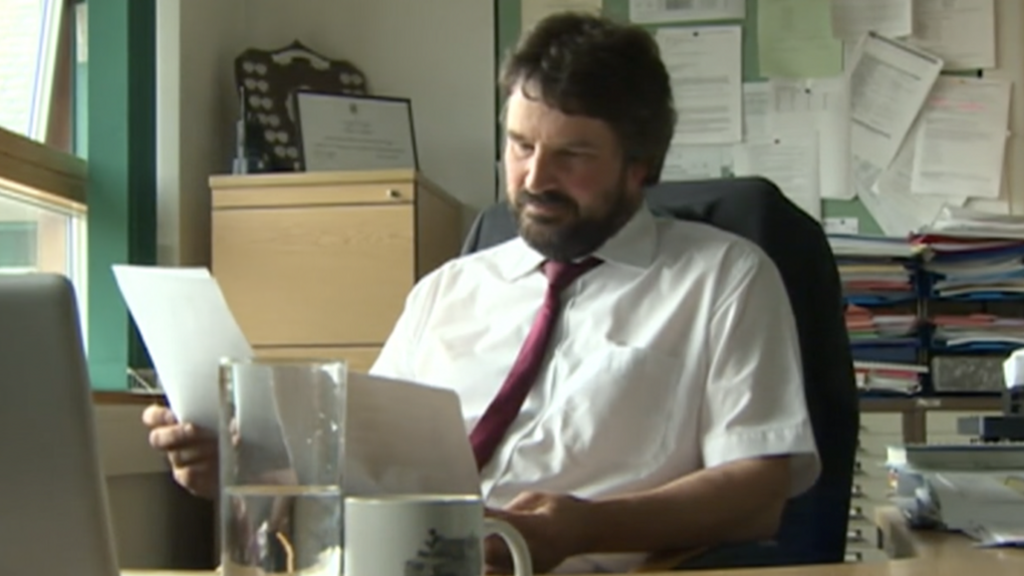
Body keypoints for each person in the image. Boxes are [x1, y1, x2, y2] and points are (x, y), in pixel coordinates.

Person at [144, 12, 820, 574]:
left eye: (573, 156)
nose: (534, 178)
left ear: (641, 165)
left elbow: (756, 492)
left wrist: (578, 530)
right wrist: (240, 468)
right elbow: (353, 468)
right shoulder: (446, 291)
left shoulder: (725, 278)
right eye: (520, 145)